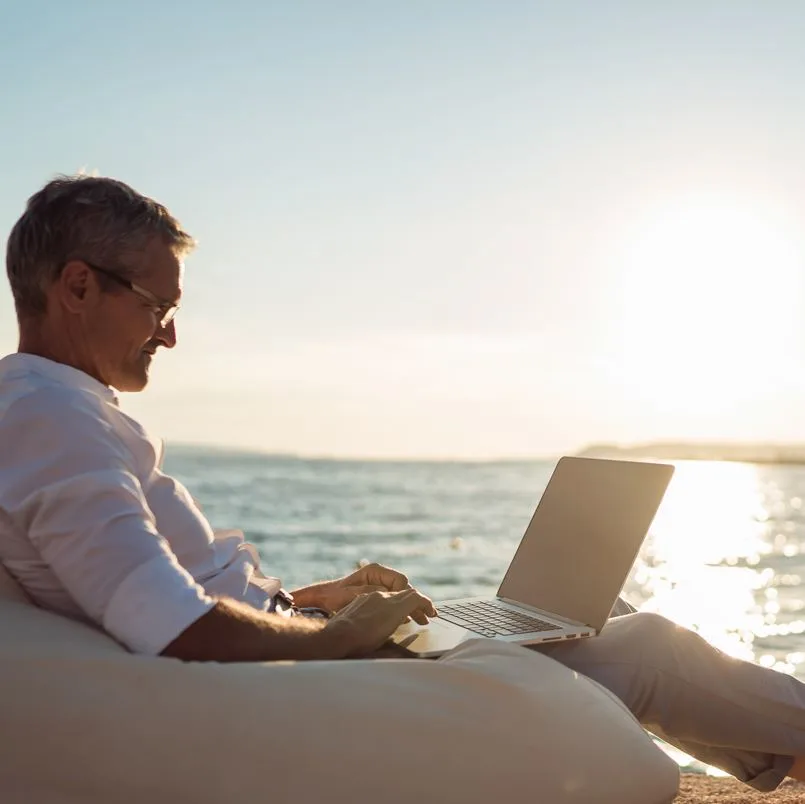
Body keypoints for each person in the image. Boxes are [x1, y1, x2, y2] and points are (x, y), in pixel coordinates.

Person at [0, 175, 803, 793]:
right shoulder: (51, 419)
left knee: (592, 620)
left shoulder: (53, 408)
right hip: (320, 682)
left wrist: (314, 600)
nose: (169, 334)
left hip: (306, 646)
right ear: (76, 287)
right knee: (643, 646)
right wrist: (337, 637)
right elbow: (169, 626)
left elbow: (149, 587)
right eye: (156, 306)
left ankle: (780, 759)